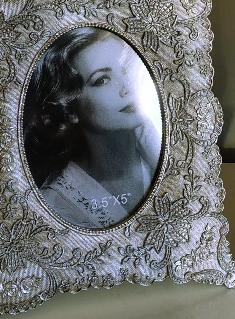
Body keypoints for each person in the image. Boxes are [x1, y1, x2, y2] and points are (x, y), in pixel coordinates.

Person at [23, 27, 161, 229]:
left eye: (127, 70)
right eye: (102, 80)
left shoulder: (162, 150)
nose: (128, 86)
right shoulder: (55, 205)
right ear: (69, 111)